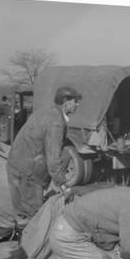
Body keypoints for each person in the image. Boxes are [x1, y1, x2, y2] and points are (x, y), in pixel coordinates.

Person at [6, 86, 81, 220]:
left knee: (21, 214)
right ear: (65, 101)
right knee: (35, 217)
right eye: (75, 101)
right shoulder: (55, 123)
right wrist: (64, 186)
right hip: (27, 173)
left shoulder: (46, 111)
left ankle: (23, 236)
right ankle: (31, 238)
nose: (77, 104)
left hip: (15, 165)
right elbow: (53, 160)